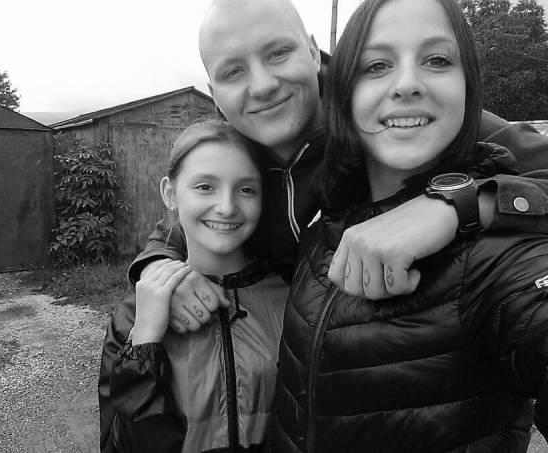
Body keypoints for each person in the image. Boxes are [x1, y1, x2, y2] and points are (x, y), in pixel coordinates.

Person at [128, 0, 548, 338]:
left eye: (278, 53)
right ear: (214, 92)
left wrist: (454, 205)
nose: (263, 85)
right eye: (233, 71)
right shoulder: (233, 153)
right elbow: (178, 221)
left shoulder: (387, 117)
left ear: (313, 51)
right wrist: (158, 268)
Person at [269, 0, 548, 451]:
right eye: (377, 65)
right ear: (344, 94)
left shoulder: (497, 254)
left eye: (437, 60)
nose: (407, 84)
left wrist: (463, 205)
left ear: (467, 86)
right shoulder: (323, 229)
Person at [99, 119, 289, 452]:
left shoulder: (292, 300)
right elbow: (119, 444)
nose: (227, 207)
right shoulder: (134, 315)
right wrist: (144, 342)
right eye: (205, 187)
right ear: (170, 194)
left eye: (246, 189)